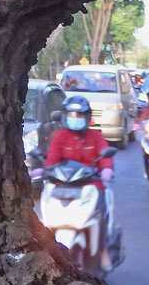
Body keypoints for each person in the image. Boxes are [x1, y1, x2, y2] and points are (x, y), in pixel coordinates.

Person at [44, 95, 120, 268]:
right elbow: (51, 160)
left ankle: (103, 253)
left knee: (100, 215)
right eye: (71, 115)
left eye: (79, 115)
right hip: (63, 186)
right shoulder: (60, 137)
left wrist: (107, 169)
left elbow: (105, 157)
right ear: (65, 116)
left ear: (87, 117)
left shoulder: (95, 137)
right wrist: (43, 170)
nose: (75, 118)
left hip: (90, 185)